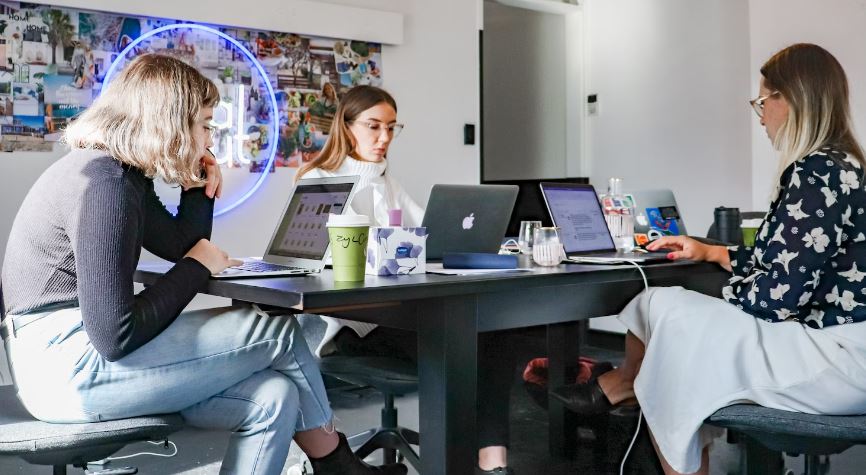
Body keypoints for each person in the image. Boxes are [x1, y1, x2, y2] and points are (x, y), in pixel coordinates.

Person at [0, 54, 405, 475]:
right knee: (278, 330)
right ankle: (337, 463)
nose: (210, 137)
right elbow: (114, 334)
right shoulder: (108, 185)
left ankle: (335, 465)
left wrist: (197, 187)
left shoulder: (121, 174)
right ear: (172, 123)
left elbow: (180, 244)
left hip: (66, 360)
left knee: (274, 394)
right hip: (66, 369)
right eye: (206, 125)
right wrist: (197, 267)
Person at [551, 43, 866, 475]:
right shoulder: (843, 165)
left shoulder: (815, 171)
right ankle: (625, 388)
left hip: (836, 359)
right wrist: (713, 252)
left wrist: (720, 295)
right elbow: (797, 256)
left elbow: (777, 299)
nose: (759, 115)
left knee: (672, 315)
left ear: (790, 100)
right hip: (838, 344)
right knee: (658, 306)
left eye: (762, 101)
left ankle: (622, 389)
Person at [296, 85, 520, 475]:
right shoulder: (319, 180)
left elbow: (428, 232)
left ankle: (493, 461)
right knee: (469, 342)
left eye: (391, 128)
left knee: (496, 332)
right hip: (353, 327)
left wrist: (486, 243)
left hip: (402, 315)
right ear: (347, 127)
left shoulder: (386, 181)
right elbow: (323, 262)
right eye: (373, 127)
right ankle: (471, 456)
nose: (384, 138)